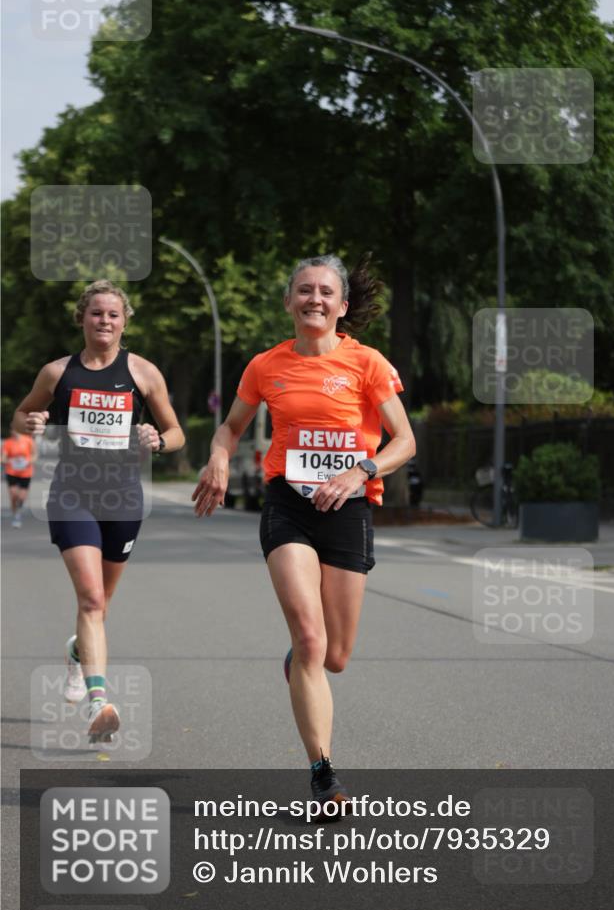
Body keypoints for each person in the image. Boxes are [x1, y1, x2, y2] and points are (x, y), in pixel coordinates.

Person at [193, 254, 415, 809]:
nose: (314, 299)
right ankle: (323, 773)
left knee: (334, 656)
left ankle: (301, 667)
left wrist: (361, 470)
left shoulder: (367, 363)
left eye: (325, 292)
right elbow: (231, 426)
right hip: (287, 506)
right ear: (289, 301)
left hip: (348, 509)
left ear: (342, 306)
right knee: (311, 639)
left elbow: (404, 441)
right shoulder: (267, 365)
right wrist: (218, 458)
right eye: (304, 290)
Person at [13, 279, 185, 742]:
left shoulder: (144, 373)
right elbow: (21, 415)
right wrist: (30, 422)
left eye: (112, 314)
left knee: (100, 606)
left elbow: (175, 431)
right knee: (90, 599)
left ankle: (76, 655)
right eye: (96, 314)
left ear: (124, 321)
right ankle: (99, 701)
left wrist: (158, 440)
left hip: (123, 498)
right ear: (82, 319)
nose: (104, 321)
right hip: (72, 494)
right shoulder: (56, 373)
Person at [2, 427, 37, 527]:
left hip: (26, 472)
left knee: (21, 497)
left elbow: (34, 455)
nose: (14, 431)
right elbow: (3, 458)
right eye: (12, 429)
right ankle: (15, 515)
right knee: (13, 495)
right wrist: (9, 461)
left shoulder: (28, 440)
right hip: (11, 472)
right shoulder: (8, 443)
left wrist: (27, 462)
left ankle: (19, 509)